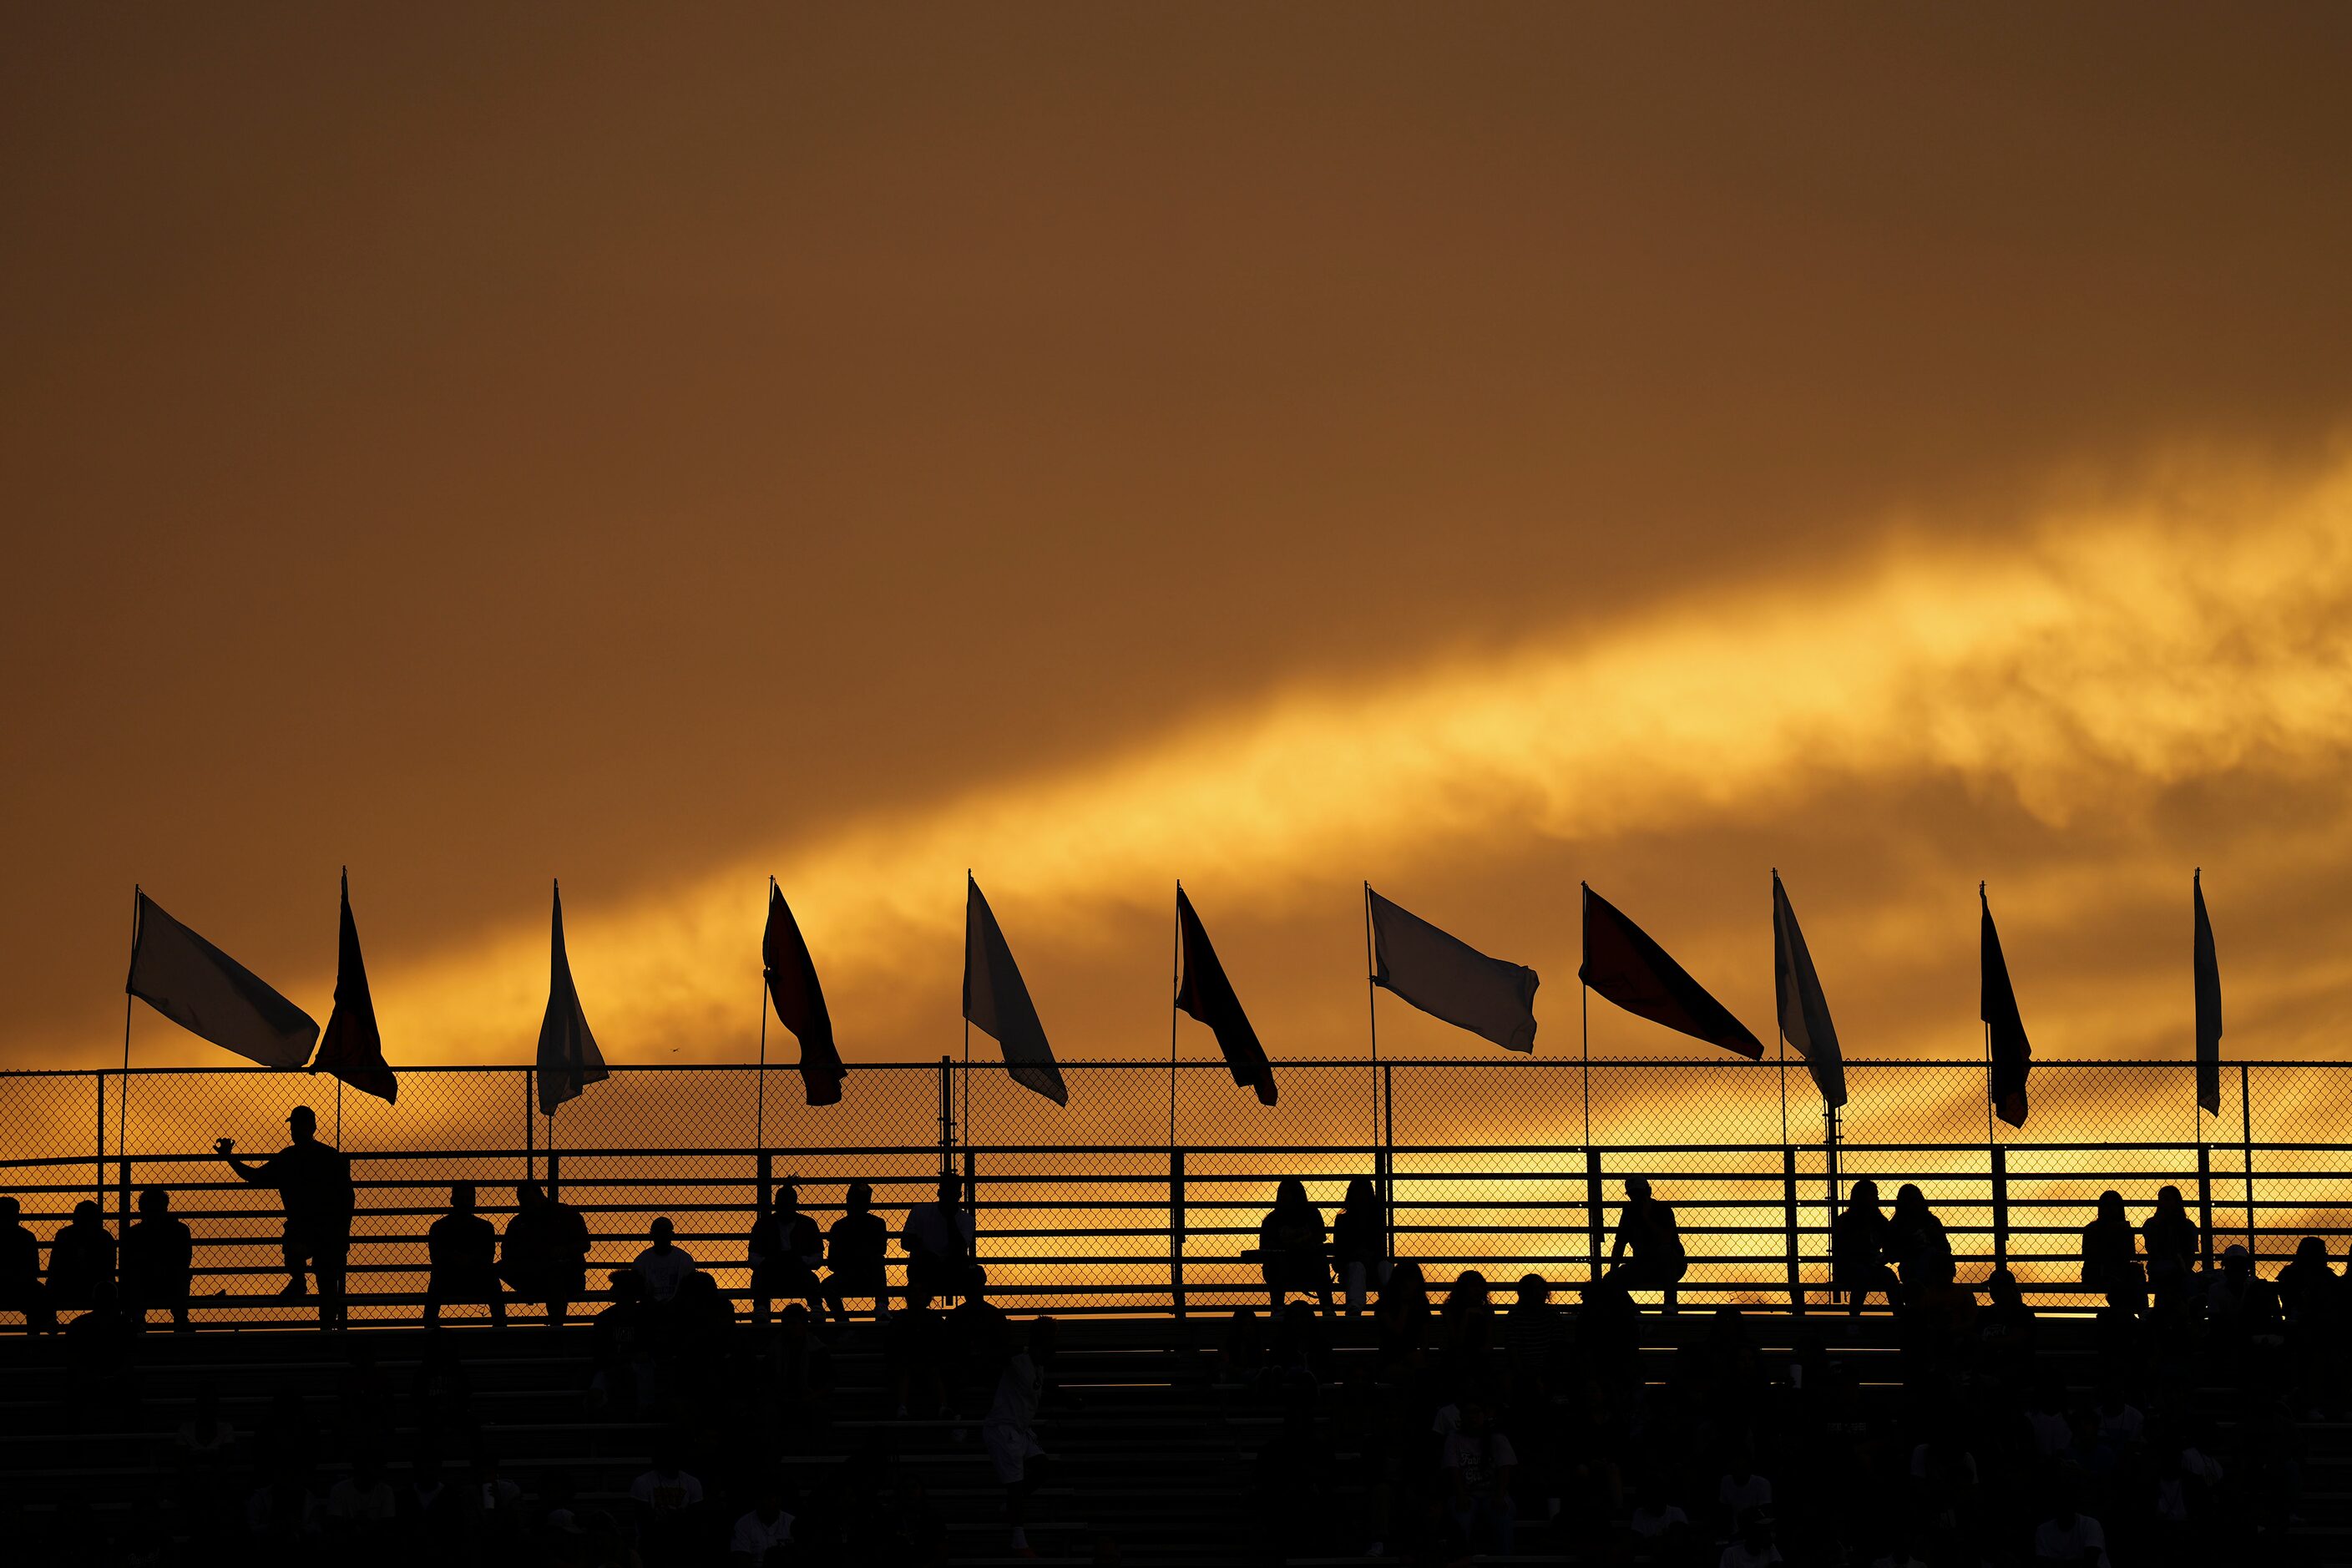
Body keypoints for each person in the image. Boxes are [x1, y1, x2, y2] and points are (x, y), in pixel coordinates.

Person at [216, 1106, 354, 1326]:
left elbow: (256, 1177)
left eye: (297, 1125)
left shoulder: (293, 1158)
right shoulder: (324, 1157)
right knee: (327, 1285)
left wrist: (230, 1159)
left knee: (322, 1280)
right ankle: (327, 1331)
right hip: (326, 1230)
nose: (294, 1130)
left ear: (310, 1128)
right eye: (293, 1126)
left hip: (318, 1230)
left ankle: (306, 1293)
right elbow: (348, 1198)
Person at [984, 1316, 1055, 1558]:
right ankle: (1018, 1539)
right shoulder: (1017, 1360)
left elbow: (1041, 1389)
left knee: (1043, 1469)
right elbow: (997, 1354)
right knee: (1015, 1487)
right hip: (1004, 1429)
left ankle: (1011, 1507)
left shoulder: (1039, 1365)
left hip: (1022, 1429)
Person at [498, 1181, 590, 1323]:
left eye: (530, 1202)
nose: (528, 1207)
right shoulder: (519, 1222)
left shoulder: (566, 1214)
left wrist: (564, 1251)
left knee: (555, 1275)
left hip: (566, 1275)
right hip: (533, 1273)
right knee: (499, 1268)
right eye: (524, 1203)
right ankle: (501, 1323)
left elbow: (584, 1244)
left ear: (541, 1196)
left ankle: (556, 1327)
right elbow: (506, 1254)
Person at [1442, 1393, 1516, 1554]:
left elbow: (1505, 1468)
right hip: (1466, 1494)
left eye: (1476, 1412)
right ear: (1462, 1415)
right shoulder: (1453, 1438)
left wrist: (1500, 1495)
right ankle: (1461, 1558)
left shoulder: (1497, 1437)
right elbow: (1452, 1468)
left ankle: (1505, 1560)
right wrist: (1461, 1495)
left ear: (1484, 1415)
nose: (1473, 1417)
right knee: (1460, 1519)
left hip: (1493, 1493)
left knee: (1504, 1516)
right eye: (1469, 1412)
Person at [423, 1183, 505, 1327]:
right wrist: (465, 1260)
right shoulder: (439, 1227)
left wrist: (462, 1259)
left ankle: (500, 1327)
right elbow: (436, 1258)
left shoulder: (485, 1228)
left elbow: (488, 1257)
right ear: (453, 1200)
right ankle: (429, 1328)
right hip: (451, 1278)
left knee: (492, 1277)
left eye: (468, 1199)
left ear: (474, 1201)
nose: (464, 1202)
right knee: (437, 1277)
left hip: (473, 1278)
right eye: (461, 1198)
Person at [1608, 1176, 1687, 1314]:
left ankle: (1670, 1305)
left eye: (1640, 1193)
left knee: (1665, 1251)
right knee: (1610, 1280)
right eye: (1633, 1195)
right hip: (1643, 1265)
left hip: (1672, 1266)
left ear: (1648, 1192)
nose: (1637, 1198)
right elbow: (1620, 1244)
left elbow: (1665, 1239)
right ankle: (1638, 1320)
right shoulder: (1629, 1212)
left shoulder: (1663, 1209)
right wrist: (1613, 1271)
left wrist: (1646, 1217)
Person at [746, 1183, 823, 1325]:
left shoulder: (808, 1224)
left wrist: (800, 1260)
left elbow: (818, 1258)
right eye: (782, 1204)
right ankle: (761, 1308)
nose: (785, 1208)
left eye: (788, 1204)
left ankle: (816, 1308)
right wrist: (769, 1261)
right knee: (760, 1275)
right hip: (771, 1271)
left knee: (810, 1277)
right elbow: (753, 1258)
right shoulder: (763, 1224)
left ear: (795, 1205)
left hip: (798, 1270)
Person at [121, 1186, 194, 1332]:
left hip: (152, 1282)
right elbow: (184, 1259)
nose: (153, 1214)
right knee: (180, 1275)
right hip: (162, 1282)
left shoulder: (134, 1234)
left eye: (156, 1209)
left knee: (135, 1277)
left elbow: (184, 1260)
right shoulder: (179, 1231)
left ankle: (137, 1320)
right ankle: (180, 1319)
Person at [1257, 1178, 1332, 1314]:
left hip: (1309, 1264)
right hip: (1284, 1266)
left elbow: (1320, 1236)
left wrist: (1291, 1243)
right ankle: (1278, 1307)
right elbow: (1265, 1247)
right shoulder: (1272, 1219)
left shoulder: (1311, 1213)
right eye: (1283, 1194)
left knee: (1320, 1259)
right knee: (1275, 1262)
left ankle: (1327, 1307)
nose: (1285, 1198)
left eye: (1289, 1193)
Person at [900, 1177, 976, 1308]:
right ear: (939, 1193)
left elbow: (960, 1249)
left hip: (951, 1270)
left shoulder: (966, 1220)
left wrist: (950, 1219)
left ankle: (970, 1313)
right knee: (925, 1262)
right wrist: (925, 1254)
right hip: (925, 1268)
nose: (949, 1198)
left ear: (959, 1195)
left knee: (973, 1271)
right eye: (947, 1193)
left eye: (952, 1194)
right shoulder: (920, 1212)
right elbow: (905, 1243)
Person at [822, 1181, 889, 1325]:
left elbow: (880, 1250)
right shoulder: (841, 1226)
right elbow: (833, 1262)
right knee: (827, 1285)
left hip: (867, 1273)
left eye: (861, 1202)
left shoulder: (875, 1224)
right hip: (850, 1273)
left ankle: (881, 1305)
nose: (857, 1206)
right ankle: (844, 1324)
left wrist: (851, 1256)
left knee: (878, 1260)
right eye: (855, 1201)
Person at [1831, 1179, 1898, 1313]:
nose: (1877, 1198)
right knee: (1862, 1274)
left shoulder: (1880, 1221)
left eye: (1876, 1194)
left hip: (1872, 1266)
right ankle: (1854, 1319)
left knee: (1890, 1276)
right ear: (1861, 1197)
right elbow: (1842, 1252)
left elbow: (1889, 1246)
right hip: (1850, 1267)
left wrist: (1881, 1259)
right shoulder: (1846, 1221)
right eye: (1872, 1194)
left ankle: (1899, 1315)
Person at [46, 1199, 116, 1315]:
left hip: (68, 1284)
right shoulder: (104, 1237)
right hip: (94, 1284)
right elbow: (109, 1270)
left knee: (50, 1285)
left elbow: (54, 1267)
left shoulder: (64, 1235)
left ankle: (50, 1323)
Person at [1331, 1176, 1387, 1317]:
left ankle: (1390, 1305)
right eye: (1359, 1193)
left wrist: (1369, 1256)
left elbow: (1381, 1250)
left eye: (1364, 1193)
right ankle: (1354, 1308)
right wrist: (1357, 1256)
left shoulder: (1376, 1219)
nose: (1361, 1197)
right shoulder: (1343, 1220)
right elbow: (1339, 1252)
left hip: (1372, 1263)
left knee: (1386, 1266)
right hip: (1351, 1265)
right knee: (1357, 1267)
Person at [2142, 1185, 2203, 1311]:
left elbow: (2190, 1258)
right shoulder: (2151, 1224)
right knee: (2182, 1281)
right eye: (2161, 1199)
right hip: (2160, 1268)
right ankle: (2190, 1308)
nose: (2163, 1203)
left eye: (2167, 1199)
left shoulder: (2188, 1226)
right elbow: (2153, 1251)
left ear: (2176, 1202)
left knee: (2185, 1280)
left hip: (2179, 1269)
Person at [0, 1195, 55, 1333]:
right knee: (38, 1294)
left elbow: (33, 1271)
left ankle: (39, 1333)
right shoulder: (27, 1236)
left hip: (16, 1285)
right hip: (23, 1286)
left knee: (38, 1294)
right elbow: (34, 1271)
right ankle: (37, 1336)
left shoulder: (26, 1237)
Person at [2080, 1191, 2143, 1308]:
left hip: (2117, 1270)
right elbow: (2090, 1255)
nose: (2110, 1209)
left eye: (2114, 1205)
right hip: (2097, 1271)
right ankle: (2127, 1314)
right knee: (2122, 1278)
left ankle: (2139, 1312)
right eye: (2107, 1205)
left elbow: (2129, 1254)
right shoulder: (2091, 1229)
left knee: (2135, 1272)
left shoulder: (2125, 1229)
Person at [1889, 1183, 1953, 1293]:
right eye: (1909, 1201)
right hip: (1911, 1268)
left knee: (1929, 1254)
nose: (1913, 1205)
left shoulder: (1931, 1221)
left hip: (1934, 1268)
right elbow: (1890, 1254)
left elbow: (1946, 1249)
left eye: (1915, 1200)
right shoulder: (1897, 1224)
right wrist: (1910, 1248)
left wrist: (1933, 1235)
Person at [730, 1478, 794, 1565]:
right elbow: (741, 1560)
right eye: (761, 1498)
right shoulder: (743, 1524)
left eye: (769, 1498)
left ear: (779, 1500)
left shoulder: (792, 1522)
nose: (764, 1502)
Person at [633, 1216, 695, 1305]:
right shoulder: (685, 1259)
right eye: (659, 1233)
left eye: (664, 1232)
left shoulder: (641, 1260)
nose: (662, 1236)